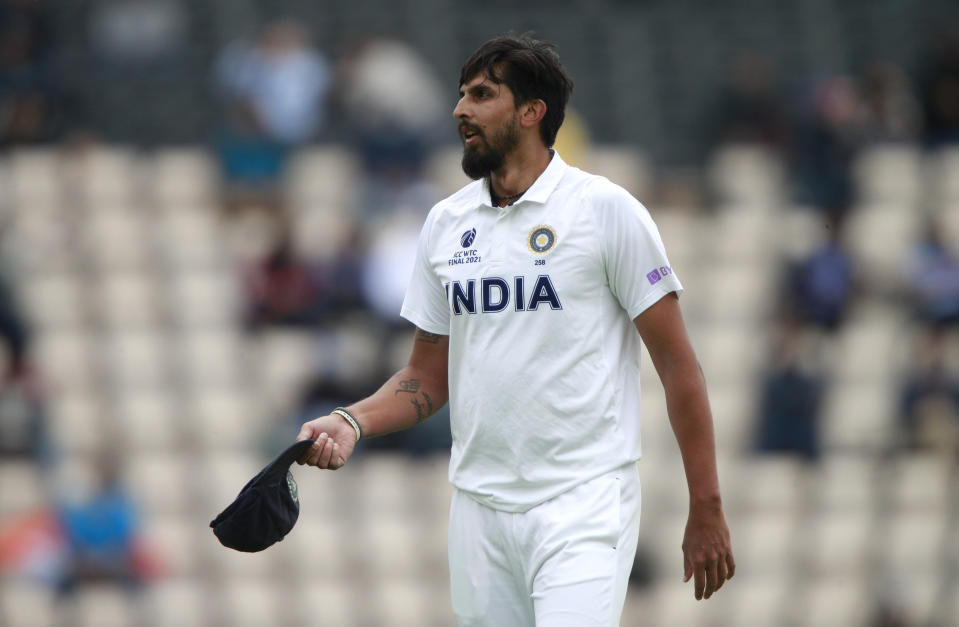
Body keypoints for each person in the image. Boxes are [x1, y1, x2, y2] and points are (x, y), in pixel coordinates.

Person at [296, 35, 734, 625]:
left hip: (583, 504)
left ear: (532, 113)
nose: (460, 111)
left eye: (481, 95)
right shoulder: (445, 224)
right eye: (461, 96)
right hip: (479, 511)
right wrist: (352, 421)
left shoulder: (606, 212)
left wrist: (705, 504)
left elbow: (680, 365)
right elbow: (427, 377)